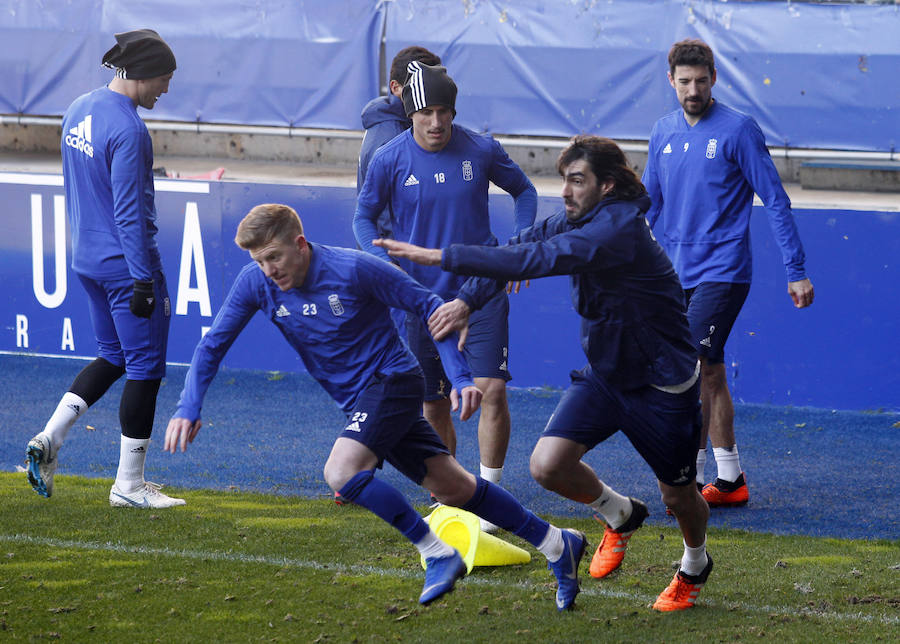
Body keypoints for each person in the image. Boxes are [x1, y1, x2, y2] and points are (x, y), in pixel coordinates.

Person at [164, 203, 586, 611]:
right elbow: (212, 344)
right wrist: (188, 405)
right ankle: (556, 543)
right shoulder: (256, 283)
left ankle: (437, 553)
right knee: (452, 487)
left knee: (341, 471)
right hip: (360, 401)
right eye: (259, 261)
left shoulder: (354, 268)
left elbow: (430, 307)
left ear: (300, 243)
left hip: (394, 381)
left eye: (274, 257)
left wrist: (459, 377)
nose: (269, 271)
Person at [376, 135, 713, 612]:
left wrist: (442, 257)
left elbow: (539, 260)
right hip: (608, 373)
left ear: (608, 185)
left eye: (577, 181)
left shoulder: (616, 230)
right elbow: (524, 243)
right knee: (547, 465)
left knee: (678, 498)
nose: (566, 192)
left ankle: (695, 563)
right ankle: (619, 515)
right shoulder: (580, 217)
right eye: (564, 181)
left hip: (662, 384)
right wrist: (464, 301)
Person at [354, 62, 538, 530]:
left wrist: (517, 248)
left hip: (480, 289)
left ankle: (490, 494)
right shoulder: (389, 158)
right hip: (416, 300)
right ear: (411, 112)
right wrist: (380, 263)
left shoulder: (481, 148)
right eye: (427, 113)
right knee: (434, 402)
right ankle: (453, 492)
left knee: (491, 390)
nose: (437, 123)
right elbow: (364, 218)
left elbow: (525, 192)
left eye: (445, 113)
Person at [642, 39, 815, 507]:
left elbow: (775, 199)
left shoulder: (739, 130)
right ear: (671, 82)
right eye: (684, 82)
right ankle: (731, 478)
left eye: (701, 80)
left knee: (691, 368)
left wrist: (795, 269)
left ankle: (691, 482)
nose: (693, 89)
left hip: (724, 271)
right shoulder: (661, 132)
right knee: (711, 371)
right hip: (674, 274)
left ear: (714, 78)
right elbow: (649, 204)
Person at [25, 29, 184, 509]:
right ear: (141, 74)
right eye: (164, 79)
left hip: (87, 262)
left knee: (114, 357)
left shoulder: (79, 107)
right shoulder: (131, 130)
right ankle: (129, 487)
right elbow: (130, 213)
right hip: (126, 267)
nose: (166, 90)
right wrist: (142, 279)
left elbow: (84, 187)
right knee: (146, 371)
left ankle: (48, 439)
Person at [357, 46, 442, 241]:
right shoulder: (390, 138)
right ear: (395, 87)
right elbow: (387, 218)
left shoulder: (402, 126)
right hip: (395, 261)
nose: (427, 95)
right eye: (417, 87)